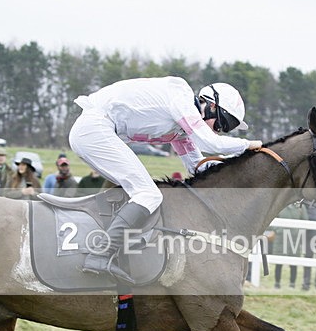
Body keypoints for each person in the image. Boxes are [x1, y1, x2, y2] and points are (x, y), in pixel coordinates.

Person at [68, 76, 262, 283]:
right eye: (224, 123)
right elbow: (211, 143)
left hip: (98, 132)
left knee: (140, 194)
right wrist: (248, 145)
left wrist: (238, 171)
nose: (219, 130)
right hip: (95, 128)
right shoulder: (181, 99)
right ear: (211, 105)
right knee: (148, 194)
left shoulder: (180, 129)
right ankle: (100, 254)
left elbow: (198, 166)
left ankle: (113, 250)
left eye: (227, 128)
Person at [271, 202, 307, 289]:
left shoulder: (301, 207)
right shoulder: (280, 205)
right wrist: (278, 230)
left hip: (295, 238)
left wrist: (298, 232)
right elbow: (271, 218)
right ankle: (277, 283)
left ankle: (292, 284)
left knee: (293, 262)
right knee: (279, 261)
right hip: (281, 237)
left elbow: (305, 220)